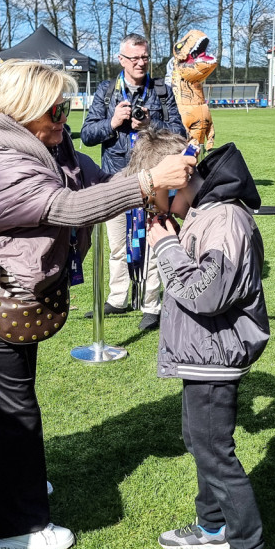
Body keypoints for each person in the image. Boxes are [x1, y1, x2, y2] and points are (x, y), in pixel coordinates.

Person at [0, 59, 195, 549]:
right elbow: (68, 207)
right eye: (56, 108)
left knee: (13, 406)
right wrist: (146, 185)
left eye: (66, 106)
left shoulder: (47, 145)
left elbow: (101, 182)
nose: (65, 117)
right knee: (5, 414)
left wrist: (162, 166)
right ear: (24, 109)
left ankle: (19, 482)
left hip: (13, 294)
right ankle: (17, 523)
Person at [135, 128, 275, 549]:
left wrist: (165, 245)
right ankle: (213, 525)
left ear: (177, 180)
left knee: (216, 453)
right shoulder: (202, 209)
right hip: (203, 351)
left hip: (217, 354)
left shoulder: (223, 219)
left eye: (154, 195)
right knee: (198, 441)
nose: (152, 206)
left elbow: (206, 292)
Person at [81, 33, 187, 331]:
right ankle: (117, 298)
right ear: (121, 60)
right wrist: (112, 122)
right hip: (115, 177)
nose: (141, 63)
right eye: (134, 58)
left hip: (154, 175)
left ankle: (151, 305)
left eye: (145, 57)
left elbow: (180, 134)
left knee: (152, 241)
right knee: (117, 243)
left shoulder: (162, 92)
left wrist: (151, 124)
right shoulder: (105, 92)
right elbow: (87, 135)